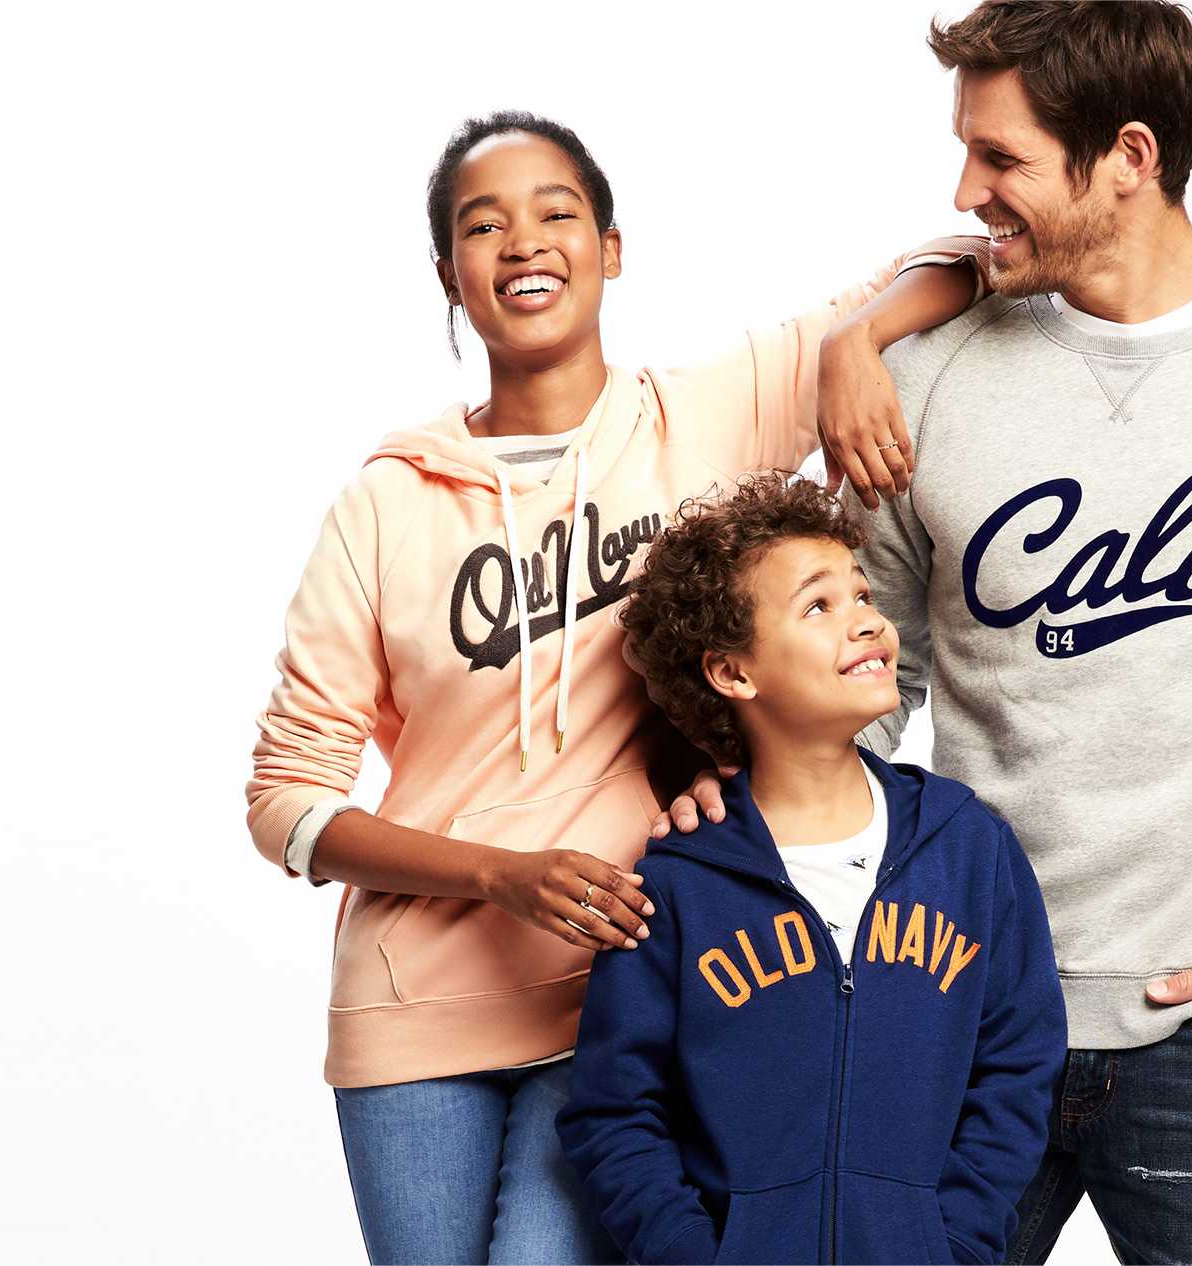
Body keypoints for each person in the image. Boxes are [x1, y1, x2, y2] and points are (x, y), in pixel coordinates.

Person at [655, 5, 1192, 1263]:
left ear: (1128, 155)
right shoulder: (931, 377)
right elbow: (858, 682)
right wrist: (745, 824)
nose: (967, 190)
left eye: (1001, 160)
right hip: (944, 1011)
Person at [244, 110, 990, 1264]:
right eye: (482, 227)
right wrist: (495, 875)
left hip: (618, 994)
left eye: (557, 215)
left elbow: (960, 260)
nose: (523, 244)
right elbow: (287, 802)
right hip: (411, 1011)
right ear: (449, 273)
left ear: (611, 246)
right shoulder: (384, 505)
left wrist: (854, 347)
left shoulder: (702, 414)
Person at [557, 472, 1065, 1265]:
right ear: (733, 673)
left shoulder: (968, 850)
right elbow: (615, 1113)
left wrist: (954, 1245)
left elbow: (1017, 1068)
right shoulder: (679, 884)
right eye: (818, 607)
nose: (864, 622)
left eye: (863, 597)